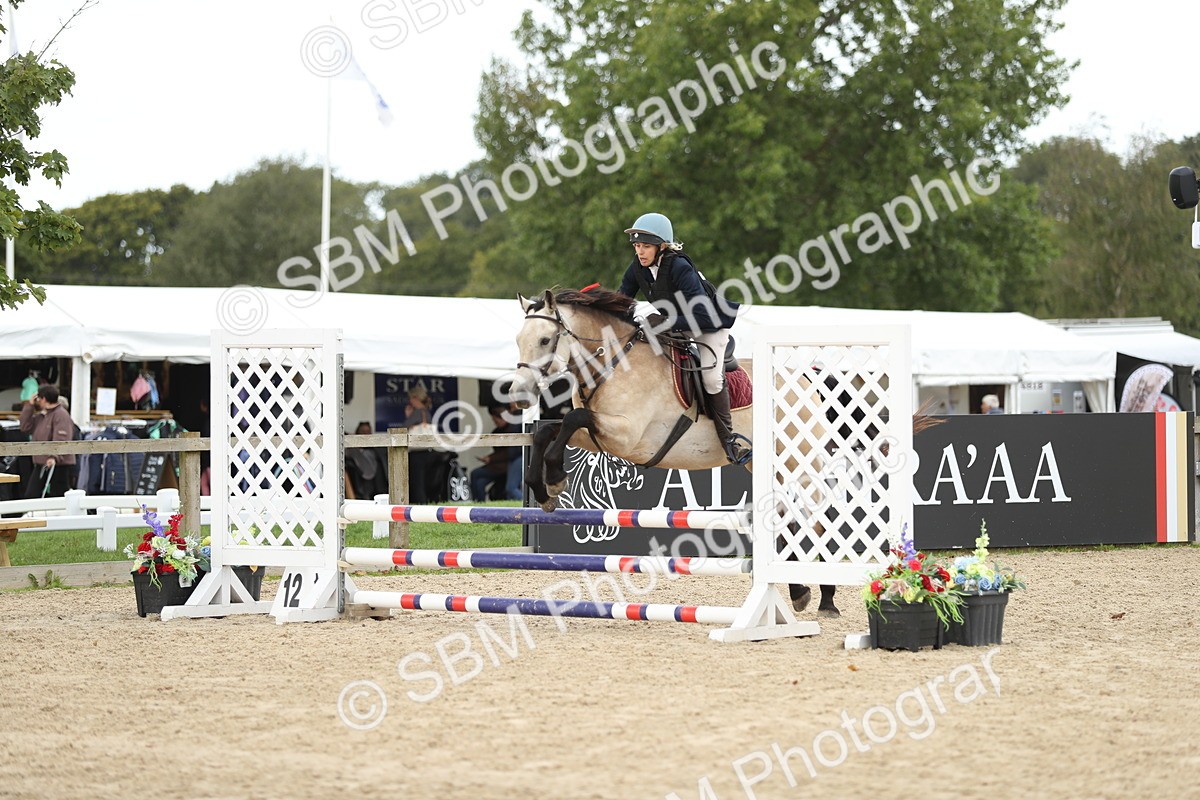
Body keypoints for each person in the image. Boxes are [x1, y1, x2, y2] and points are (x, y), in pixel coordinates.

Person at [617, 212, 750, 464]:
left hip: (708, 325)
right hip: (678, 324)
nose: (640, 252)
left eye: (645, 246)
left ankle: (731, 441)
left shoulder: (679, 266)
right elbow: (621, 301)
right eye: (637, 246)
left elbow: (700, 315)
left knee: (711, 378)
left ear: (662, 246)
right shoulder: (637, 268)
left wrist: (662, 322)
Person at [18, 384, 76, 498]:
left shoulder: (61, 415)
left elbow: (61, 438)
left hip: (58, 464)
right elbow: (25, 427)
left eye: (38, 398)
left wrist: (53, 456)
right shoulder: (42, 416)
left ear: (44, 399)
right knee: (32, 494)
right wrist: (29, 406)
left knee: (57, 495)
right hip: (42, 462)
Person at [471, 405, 520, 501]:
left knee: (476, 474)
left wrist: (490, 458)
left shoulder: (513, 428)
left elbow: (510, 452)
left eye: (496, 420)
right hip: (501, 463)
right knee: (479, 482)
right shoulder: (498, 431)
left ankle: (478, 502)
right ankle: (479, 503)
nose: (495, 423)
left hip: (506, 464)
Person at [403, 385, 436, 503]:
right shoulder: (426, 411)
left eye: (410, 398)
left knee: (417, 482)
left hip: (417, 453)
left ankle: (419, 506)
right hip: (426, 452)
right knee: (422, 481)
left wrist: (408, 416)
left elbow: (404, 427)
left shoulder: (418, 412)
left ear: (415, 398)